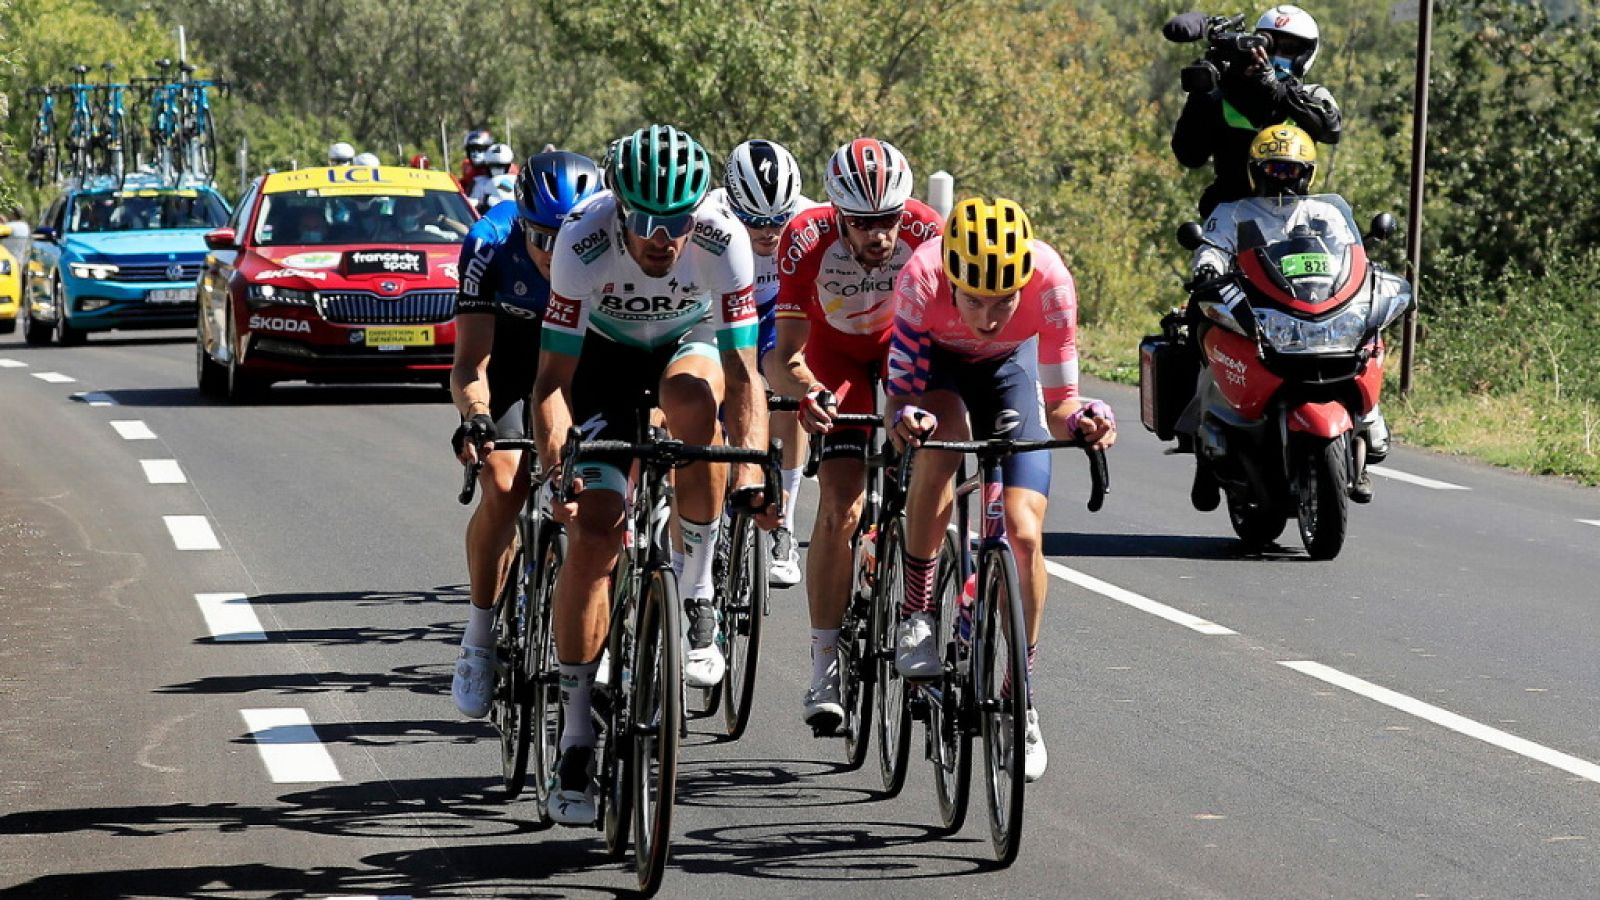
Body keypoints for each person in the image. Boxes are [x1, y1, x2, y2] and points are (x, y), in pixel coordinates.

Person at [533, 125, 772, 825]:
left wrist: (754, 461)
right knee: (598, 532)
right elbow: (551, 382)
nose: (661, 239)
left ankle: (697, 593)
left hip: (686, 343)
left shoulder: (723, 240)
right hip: (601, 362)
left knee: (696, 404)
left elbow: (743, 375)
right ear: (618, 208)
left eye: (676, 222)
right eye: (644, 222)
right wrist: (557, 474)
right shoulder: (581, 240)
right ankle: (576, 733)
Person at [885, 197, 1116, 783]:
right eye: (975, 301)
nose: (988, 316)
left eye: (1003, 302)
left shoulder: (1052, 282)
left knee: (1024, 533)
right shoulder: (921, 278)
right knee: (945, 436)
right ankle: (917, 612)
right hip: (935, 374)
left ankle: (1020, 697)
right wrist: (907, 423)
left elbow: (1062, 405)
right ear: (951, 282)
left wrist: (1088, 416)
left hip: (1008, 375)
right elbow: (902, 398)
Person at [767, 137, 943, 734]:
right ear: (838, 213)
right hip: (833, 358)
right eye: (863, 223)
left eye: (889, 220)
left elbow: (944, 334)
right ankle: (825, 664)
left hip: (904, 353)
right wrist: (808, 393)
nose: (879, 236)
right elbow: (781, 357)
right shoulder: (805, 239)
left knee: (931, 483)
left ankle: (918, 608)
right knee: (841, 508)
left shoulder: (927, 230)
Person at [449, 151, 604, 721]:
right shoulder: (488, 242)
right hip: (512, 364)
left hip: (583, 365)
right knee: (505, 483)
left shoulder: (605, 241)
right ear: (521, 221)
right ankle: (480, 633)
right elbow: (470, 363)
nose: (550, 253)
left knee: (603, 499)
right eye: (539, 237)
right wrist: (477, 416)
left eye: (563, 239)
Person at [1185, 124, 1388, 505]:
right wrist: (1207, 266)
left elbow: (1349, 251)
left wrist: (1367, 270)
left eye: (1292, 170)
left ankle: (1370, 422)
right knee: (1204, 330)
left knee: (1367, 337)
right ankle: (1203, 439)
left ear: (1307, 173)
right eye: (1275, 169)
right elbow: (1211, 246)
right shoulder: (1233, 212)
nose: (1284, 178)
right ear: (1256, 170)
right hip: (1257, 304)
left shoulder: (1325, 212)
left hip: (1317, 305)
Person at [705, 139, 813, 587]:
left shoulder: (807, 220)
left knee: (789, 387)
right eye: (755, 222)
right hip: (716, 314)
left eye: (777, 221)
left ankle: (783, 521)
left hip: (773, 312)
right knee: (712, 397)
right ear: (732, 206)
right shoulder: (708, 219)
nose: (769, 233)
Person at [1171, 4, 1341, 217]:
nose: (1275, 55)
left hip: (1290, 221)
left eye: (1288, 49)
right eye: (1268, 46)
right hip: (1230, 224)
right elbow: (1190, 156)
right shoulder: (1226, 96)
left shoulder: (1312, 95)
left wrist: (1277, 90)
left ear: (1305, 54)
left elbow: (1331, 129)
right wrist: (1201, 96)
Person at [469, 143, 517, 212]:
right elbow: (470, 204)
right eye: (493, 165)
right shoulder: (478, 182)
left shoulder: (516, 181)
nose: (496, 169)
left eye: (500, 166)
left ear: (508, 166)